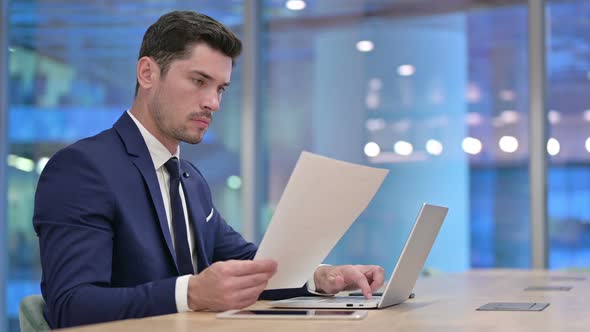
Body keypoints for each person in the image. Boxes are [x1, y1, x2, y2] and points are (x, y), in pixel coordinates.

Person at [33, 10, 385, 329]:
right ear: (147, 73)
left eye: (220, 88)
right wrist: (193, 293)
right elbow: (72, 305)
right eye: (199, 81)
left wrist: (320, 276)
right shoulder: (83, 169)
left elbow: (249, 263)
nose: (213, 103)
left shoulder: (189, 179)